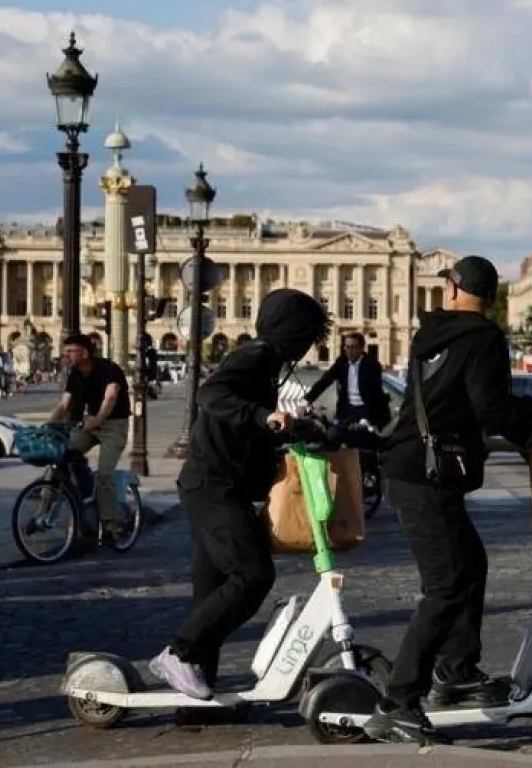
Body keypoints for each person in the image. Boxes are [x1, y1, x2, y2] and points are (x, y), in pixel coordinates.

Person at [364, 255, 532, 746]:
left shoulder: (431, 336)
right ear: (491, 297)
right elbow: (489, 408)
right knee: (445, 587)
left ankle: (456, 671)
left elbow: (458, 399)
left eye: (447, 285)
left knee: (470, 565)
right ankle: (397, 701)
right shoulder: (482, 338)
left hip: (415, 468)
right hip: (425, 474)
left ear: (454, 290)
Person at [148, 288, 330, 709]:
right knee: (252, 575)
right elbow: (213, 396)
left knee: (211, 591)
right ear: (292, 333)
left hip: (217, 483)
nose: (306, 347)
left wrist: (301, 431)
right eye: (305, 336)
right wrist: (263, 415)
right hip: (213, 485)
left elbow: (253, 426)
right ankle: (179, 652)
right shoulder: (256, 356)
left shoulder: (269, 364)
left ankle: (196, 703)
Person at [47, 334, 131, 540]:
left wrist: (99, 418)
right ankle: (43, 513)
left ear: (84, 352)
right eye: (65, 351)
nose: (65, 355)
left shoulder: (109, 369)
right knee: (59, 459)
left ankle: (110, 524)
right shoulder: (75, 373)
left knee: (104, 473)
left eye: (70, 351)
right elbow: (64, 404)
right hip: (90, 424)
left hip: (114, 425)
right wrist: (49, 425)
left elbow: (110, 396)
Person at [304, 332, 392, 429]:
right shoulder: (342, 361)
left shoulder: (372, 364)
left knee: (361, 436)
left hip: (367, 410)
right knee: (332, 436)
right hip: (348, 410)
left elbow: (376, 394)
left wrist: (367, 420)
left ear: (361, 348)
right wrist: (307, 400)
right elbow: (325, 380)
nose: (349, 351)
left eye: (353, 347)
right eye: (347, 347)